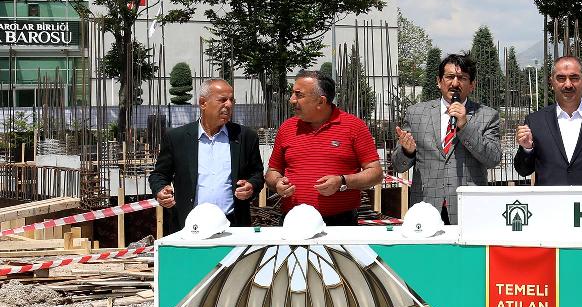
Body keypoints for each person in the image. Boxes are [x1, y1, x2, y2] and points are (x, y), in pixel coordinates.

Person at [391, 52, 504, 223]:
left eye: (462, 78)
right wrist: (407, 152)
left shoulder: (487, 115)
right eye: (450, 77)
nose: (455, 83)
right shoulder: (416, 114)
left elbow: (493, 159)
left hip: (469, 208)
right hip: (426, 207)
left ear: (472, 85)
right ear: (439, 81)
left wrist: (465, 126)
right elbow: (398, 166)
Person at [265, 70, 383, 226]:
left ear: (321, 101)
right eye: (293, 94)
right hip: (293, 222)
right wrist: (277, 183)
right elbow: (272, 172)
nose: (292, 100)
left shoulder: (354, 127)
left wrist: (342, 181)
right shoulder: (287, 128)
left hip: (340, 222)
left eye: (299, 95)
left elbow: (376, 173)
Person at [149, 79, 264, 234]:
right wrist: (160, 191)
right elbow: (159, 175)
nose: (229, 105)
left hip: (233, 225)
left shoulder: (245, 136)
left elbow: (257, 174)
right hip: (190, 225)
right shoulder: (177, 138)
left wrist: (251, 186)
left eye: (232, 100)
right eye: (222, 100)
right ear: (203, 103)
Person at [514, 56, 582, 186]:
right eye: (561, 78)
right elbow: (523, 171)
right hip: (550, 198)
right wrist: (527, 148)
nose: (568, 84)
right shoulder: (535, 121)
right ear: (551, 82)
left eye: (574, 78)